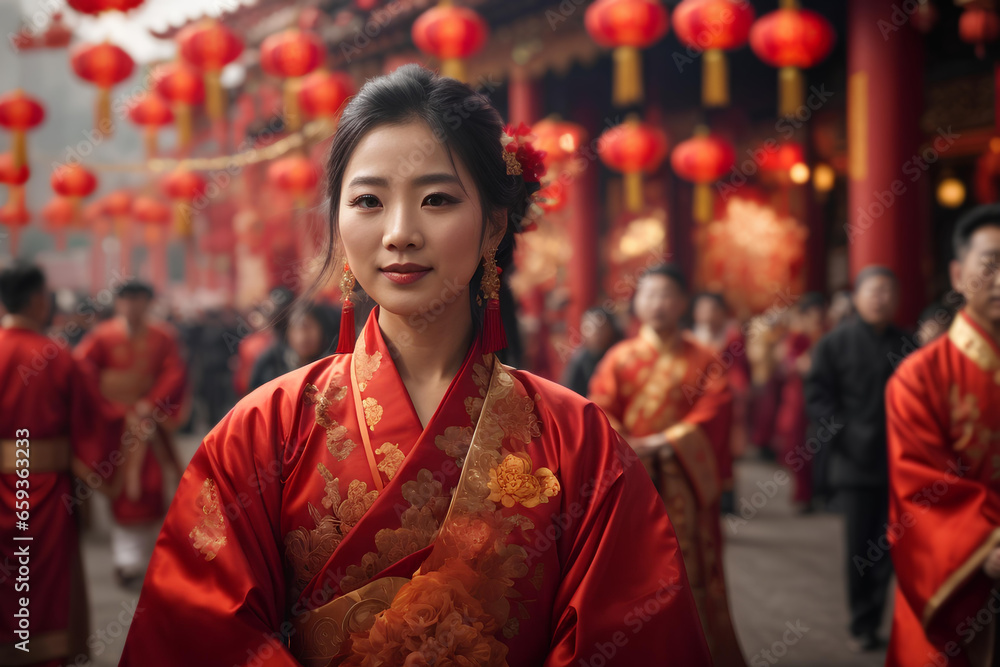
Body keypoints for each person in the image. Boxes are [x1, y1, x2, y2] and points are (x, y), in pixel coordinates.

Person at [119, 66, 711, 665]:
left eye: (437, 199)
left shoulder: (577, 440)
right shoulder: (264, 430)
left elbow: (633, 633)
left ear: (494, 225)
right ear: (340, 222)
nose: (400, 233)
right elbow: (199, 631)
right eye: (369, 201)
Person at [588, 265, 746, 666]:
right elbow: (600, 411)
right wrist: (632, 446)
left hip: (686, 484)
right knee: (636, 570)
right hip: (633, 480)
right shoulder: (618, 359)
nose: (658, 303)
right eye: (650, 294)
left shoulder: (704, 358)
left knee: (691, 569)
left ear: (682, 303)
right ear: (637, 302)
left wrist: (665, 442)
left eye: (667, 295)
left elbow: (716, 408)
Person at [886, 205, 1000, 666]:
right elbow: (921, 488)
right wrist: (988, 541)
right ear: (957, 274)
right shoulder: (920, 377)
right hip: (967, 568)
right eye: (991, 265)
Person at [0, 264, 119, 666]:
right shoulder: (54, 355)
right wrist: (135, 418)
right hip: (48, 488)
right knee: (45, 577)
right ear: (37, 299)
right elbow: (95, 418)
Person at [804, 266, 912, 652]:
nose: (881, 297)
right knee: (859, 547)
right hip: (854, 462)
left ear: (897, 299)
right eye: (873, 290)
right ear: (858, 296)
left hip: (901, 463)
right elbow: (817, 395)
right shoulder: (835, 343)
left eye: (888, 291)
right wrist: (841, 433)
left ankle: (874, 618)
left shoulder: (908, 343)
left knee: (889, 549)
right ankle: (859, 620)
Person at [75, 280, 188, 588]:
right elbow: (83, 373)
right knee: (123, 489)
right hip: (116, 425)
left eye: (139, 299)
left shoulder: (164, 337)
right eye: (126, 299)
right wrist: (110, 408)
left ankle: (153, 560)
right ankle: (127, 560)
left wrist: (149, 404)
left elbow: (174, 372)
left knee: (154, 485)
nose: (132, 306)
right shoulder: (101, 337)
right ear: (117, 303)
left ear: (149, 302)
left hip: (150, 426)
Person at [692, 291, 751, 513]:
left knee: (724, 451)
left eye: (712, 309)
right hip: (696, 403)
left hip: (725, 402)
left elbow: (740, 372)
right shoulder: (689, 339)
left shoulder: (732, 337)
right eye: (702, 308)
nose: (707, 314)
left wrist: (735, 391)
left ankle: (725, 497)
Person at [775, 292, 825, 511]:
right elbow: (790, 365)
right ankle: (803, 494)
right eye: (813, 316)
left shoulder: (825, 336)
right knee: (797, 446)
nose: (817, 321)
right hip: (797, 399)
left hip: (819, 398)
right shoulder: (797, 338)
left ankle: (815, 492)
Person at [248, 300, 340, 391]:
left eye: (307, 327)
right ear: (287, 332)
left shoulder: (334, 367)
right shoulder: (271, 367)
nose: (302, 337)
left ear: (323, 329)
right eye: (295, 329)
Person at [560, 305, 621, 396]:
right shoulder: (579, 360)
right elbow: (569, 393)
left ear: (611, 329)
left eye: (601, 328)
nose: (596, 333)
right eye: (590, 328)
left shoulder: (620, 355)